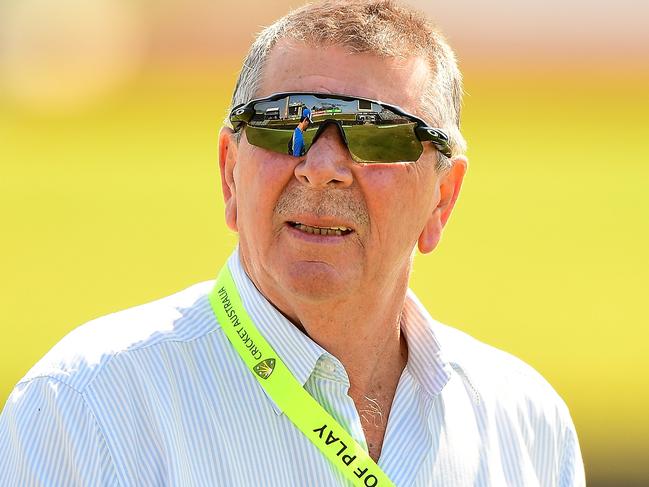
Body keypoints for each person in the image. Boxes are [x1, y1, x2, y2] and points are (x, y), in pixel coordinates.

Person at [0, 1, 585, 485]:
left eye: (375, 133)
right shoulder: (83, 408)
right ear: (230, 172)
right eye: (285, 121)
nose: (322, 166)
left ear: (442, 198)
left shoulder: (526, 423)